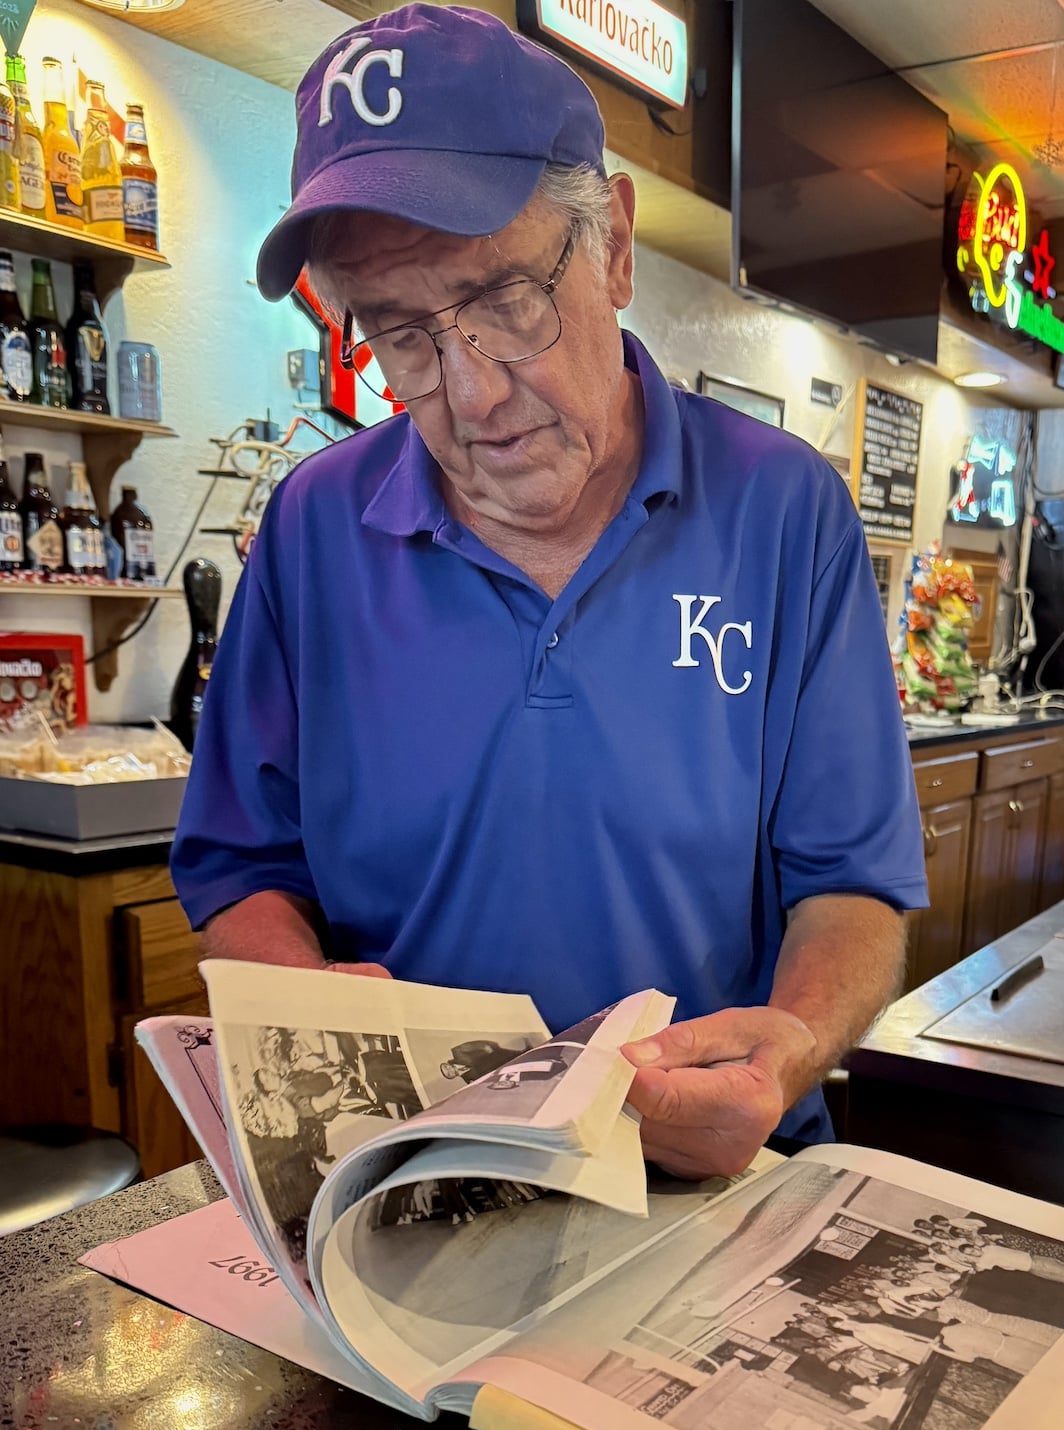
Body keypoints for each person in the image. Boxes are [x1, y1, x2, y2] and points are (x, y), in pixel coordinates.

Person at [170, 5, 926, 1180]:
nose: (471, 395)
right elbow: (240, 864)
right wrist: (296, 994)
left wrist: (787, 1053)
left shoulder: (787, 511)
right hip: (406, 1175)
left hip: (700, 1174)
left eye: (506, 298)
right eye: (403, 335)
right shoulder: (312, 526)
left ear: (614, 242)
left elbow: (853, 886)